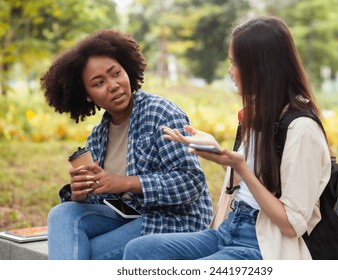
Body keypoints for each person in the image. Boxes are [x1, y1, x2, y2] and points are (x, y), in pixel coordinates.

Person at [122, 16, 332, 260]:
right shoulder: (263, 116)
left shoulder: (302, 129)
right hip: (229, 228)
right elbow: (254, 186)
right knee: (139, 250)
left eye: (235, 63)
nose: (230, 70)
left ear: (260, 68)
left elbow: (291, 224)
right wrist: (218, 153)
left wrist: (240, 167)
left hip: (263, 246)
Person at [40, 29, 213, 260]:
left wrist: (126, 183)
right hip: (129, 217)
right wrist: (80, 194)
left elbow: (191, 182)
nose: (113, 85)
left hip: (171, 221)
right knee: (63, 213)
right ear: (87, 94)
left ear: (127, 71)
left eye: (116, 73)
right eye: (99, 83)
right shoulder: (98, 136)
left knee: (85, 255)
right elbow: (107, 198)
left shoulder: (161, 113)